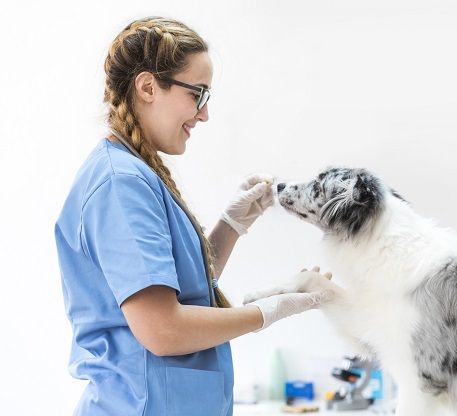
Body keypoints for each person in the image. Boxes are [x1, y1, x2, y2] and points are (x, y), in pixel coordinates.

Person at [54, 16, 333, 416]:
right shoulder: (120, 184)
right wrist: (270, 312)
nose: (203, 115)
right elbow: (163, 330)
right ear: (148, 87)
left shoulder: (137, 174)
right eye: (198, 94)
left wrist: (232, 226)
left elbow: (178, 290)